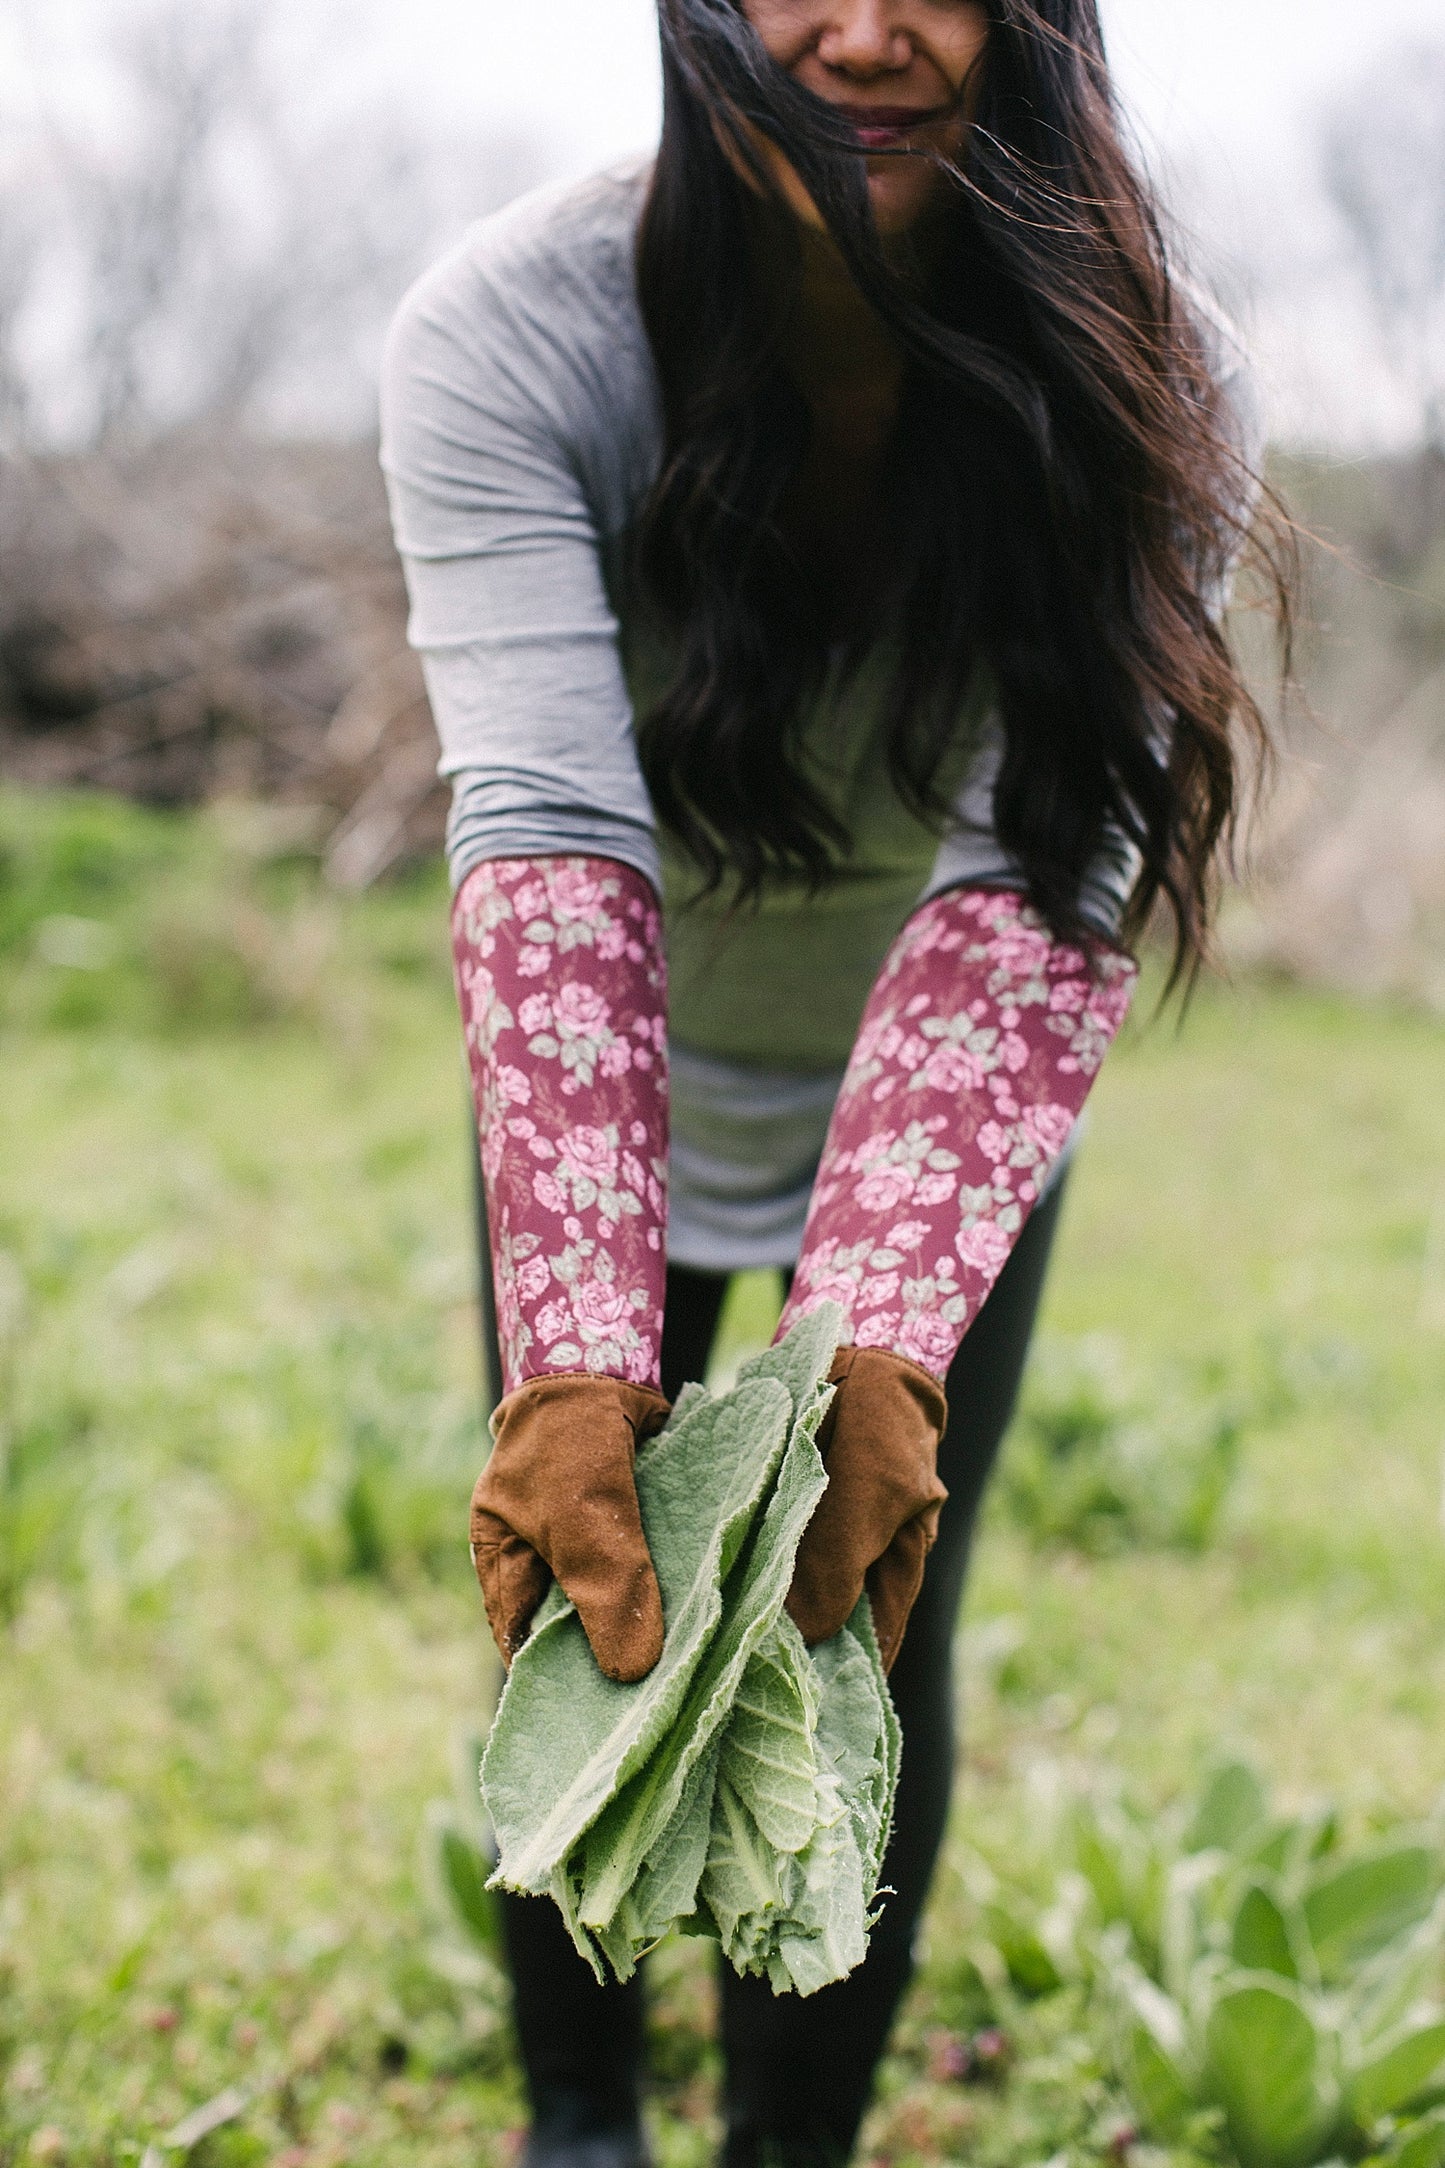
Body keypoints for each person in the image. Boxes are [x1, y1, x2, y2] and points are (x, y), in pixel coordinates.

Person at [380, 3, 1280, 2162]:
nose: (864, 32)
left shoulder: (1153, 370)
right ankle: (579, 2119)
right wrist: (579, 1349)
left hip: (935, 1096)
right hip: (611, 1071)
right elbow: (547, 829)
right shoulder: (512, 335)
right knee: (583, 1586)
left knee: (863, 1617)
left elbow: (1037, 865)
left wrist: (871, 1335)